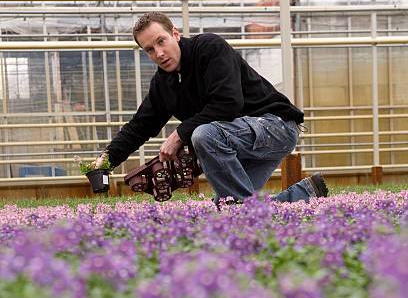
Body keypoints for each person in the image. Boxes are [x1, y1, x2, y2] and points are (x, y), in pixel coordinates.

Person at [94, 12, 328, 205]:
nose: (159, 53)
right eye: (149, 50)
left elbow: (228, 103)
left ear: (175, 34)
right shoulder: (163, 84)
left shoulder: (208, 47)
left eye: (161, 41)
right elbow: (140, 126)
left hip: (275, 126)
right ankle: (305, 194)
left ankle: (248, 209)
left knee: (204, 135)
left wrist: (179, 134)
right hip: (241, 140)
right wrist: (105, 161)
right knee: (229, 205)